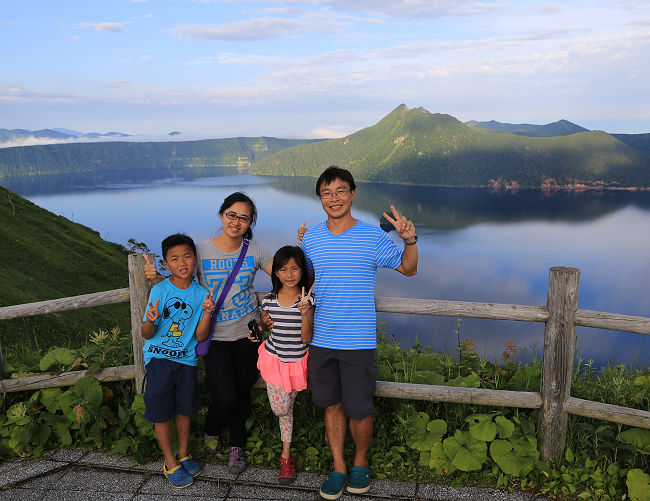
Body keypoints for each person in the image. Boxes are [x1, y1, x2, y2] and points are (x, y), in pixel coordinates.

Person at [298, 166, 418, 500]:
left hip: (358, 339)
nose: (333, 198)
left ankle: (360, 460)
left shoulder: (372, 236)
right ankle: (338, 465)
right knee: (331, 405)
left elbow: (409, 269)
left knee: (359, 407)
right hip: (321, 338)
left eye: (340, 191)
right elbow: (304, 280)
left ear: (353, 193)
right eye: (326, 192)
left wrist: (409, 239)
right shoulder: (311, 238)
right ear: (320, 198)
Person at [146, 192, 273, 474]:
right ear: (221, 215)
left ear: (250, 222)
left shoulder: (256, 250)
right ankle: (212, 429)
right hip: (212, 335)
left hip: (248, 334)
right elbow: (180, 279)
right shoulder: (201, 250)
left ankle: (237, 446)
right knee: (225, 393)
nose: (236, 222)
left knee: (241, 392)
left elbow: (288, 274)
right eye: (231, 215)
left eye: (244, 217)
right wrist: (155, 277)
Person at [141, 233, 216, 489]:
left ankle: (184, 453)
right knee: (162, 411)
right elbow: (146, 333)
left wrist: (206, 313)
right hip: (159, 359)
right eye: (174, 259)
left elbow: (200, 335)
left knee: (185, 409)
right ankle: (170, 460)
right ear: (166, 263)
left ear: (195, 258)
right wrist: (150, 318)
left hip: (186, 360)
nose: (182, 262)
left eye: (187, 256)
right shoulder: (160, 290)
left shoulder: (201, 293)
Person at [252, 245, 314, 485]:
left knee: (286, 411)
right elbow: (265, 326)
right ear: (276, 273)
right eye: (283, 269)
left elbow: (307, 338)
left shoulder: (307, 300)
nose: (289, 274)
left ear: (302, 272)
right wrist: (262, 325)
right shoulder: (268, 300)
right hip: (275, 360)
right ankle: (286, 450)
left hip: (298, 362)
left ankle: (285, 456)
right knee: (281, 409)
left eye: (295, 268)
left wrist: (305, 312)